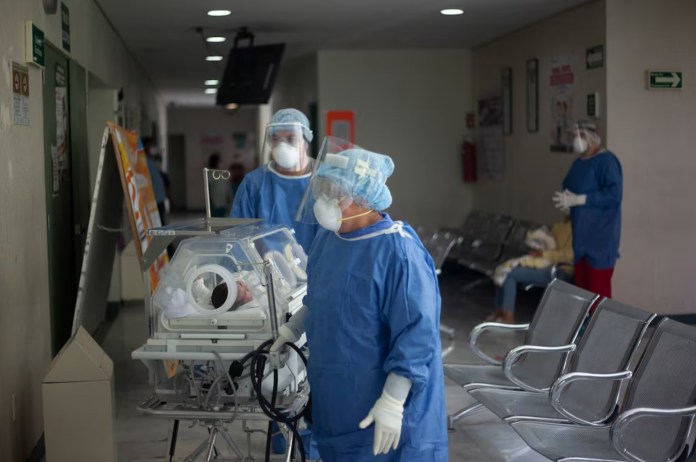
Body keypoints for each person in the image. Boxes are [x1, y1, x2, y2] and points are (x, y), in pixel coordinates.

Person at [271, 141, 448, 461]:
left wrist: (393, 401)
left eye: (334, 192)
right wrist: (292, 331)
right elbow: (320, 300)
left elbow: (417, 336)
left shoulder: (398, 252)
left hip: (385, 409)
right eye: (321, 189)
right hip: (337, 403)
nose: (324, 200)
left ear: (365, 198)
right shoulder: (328, 239)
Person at [230, 108, 320, 253]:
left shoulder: (324, 181)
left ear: (306, 141)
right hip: (267, 270)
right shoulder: (254, 183)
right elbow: (237, 235)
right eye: (275, 139)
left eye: (291, 139)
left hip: (316, 271)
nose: (282, 145)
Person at [553, 121, 622, 300]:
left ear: (593, 137)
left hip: (601, 239)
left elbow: (614, 195)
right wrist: (567, 202)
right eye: (575, 136)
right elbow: (568, 186)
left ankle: (600, 328)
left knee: (598, 293)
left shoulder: (607, 162)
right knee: (581, 293)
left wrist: (581, 199)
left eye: (581, 135)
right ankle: (584, 327)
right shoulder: (579, 163)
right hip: (581, 237)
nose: (577, 140)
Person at [486, 218, 574, 324]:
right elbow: (549, 244)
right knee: (503, 270)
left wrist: (542, 254)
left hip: (559, 270)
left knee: (511, 275)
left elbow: (567, 257)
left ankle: (508, 317)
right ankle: (499, 312)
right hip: (544, 263)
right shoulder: (559, 225)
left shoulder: (575, 229)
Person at [143, 137, 168, 225]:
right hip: (154, 199)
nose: (151, 148)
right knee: (158, 222)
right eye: (150, 146)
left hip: (159, 197)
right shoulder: (143, 161)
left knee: (162, 221)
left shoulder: (151, 160)